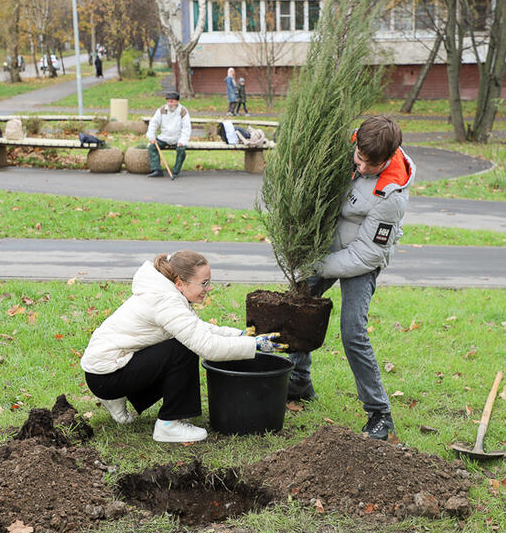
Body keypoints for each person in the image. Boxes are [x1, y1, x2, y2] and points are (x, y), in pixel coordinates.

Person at [288, 115, 416, 441]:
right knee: (297, 306)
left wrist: (317, 263)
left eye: (370, 165)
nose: (360, 167)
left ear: (387, 159)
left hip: (361, 259)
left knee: (352, 332)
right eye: (358, 157)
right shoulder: (352, 142)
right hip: (328, 249)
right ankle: (299, 380)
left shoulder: (391, 195)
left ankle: (379, 415)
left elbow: (365, 255)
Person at [81, 251, 287, 442]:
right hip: (106, 377)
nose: (208, 289)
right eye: (204, 283)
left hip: (104, 369)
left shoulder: (164, 291)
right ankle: (169, 424)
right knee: (183, 349)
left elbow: (196, 327)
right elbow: (207, 347)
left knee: (182, 342)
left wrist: (240, 335)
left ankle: (117, 398)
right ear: (180, 283)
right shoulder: (166, 301)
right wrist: (253, 345)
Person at [145, 91, 191, 178]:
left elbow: (186, 128)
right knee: (152, 147)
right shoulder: (162, 110)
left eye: (172, 101)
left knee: (181, 151)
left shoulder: (183, 111)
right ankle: (157, 170)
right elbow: (153, 123)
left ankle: (175, 172)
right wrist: (151, 137)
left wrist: (182, 141)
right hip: (164, 137)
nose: (169, 104)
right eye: (168, 101)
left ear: (177, 102)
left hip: (178, 138)